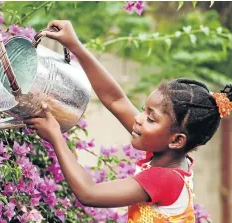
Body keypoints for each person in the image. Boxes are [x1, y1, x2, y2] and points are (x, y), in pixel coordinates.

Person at [24, 20, 232, 222]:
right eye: (144, 111)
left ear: (177, 140)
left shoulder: (165, 178)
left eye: (151, 118)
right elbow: (116, 100)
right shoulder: (169, 154)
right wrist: (75, 46)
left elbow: (89, 193)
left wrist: (55, 136)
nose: (139, 119)